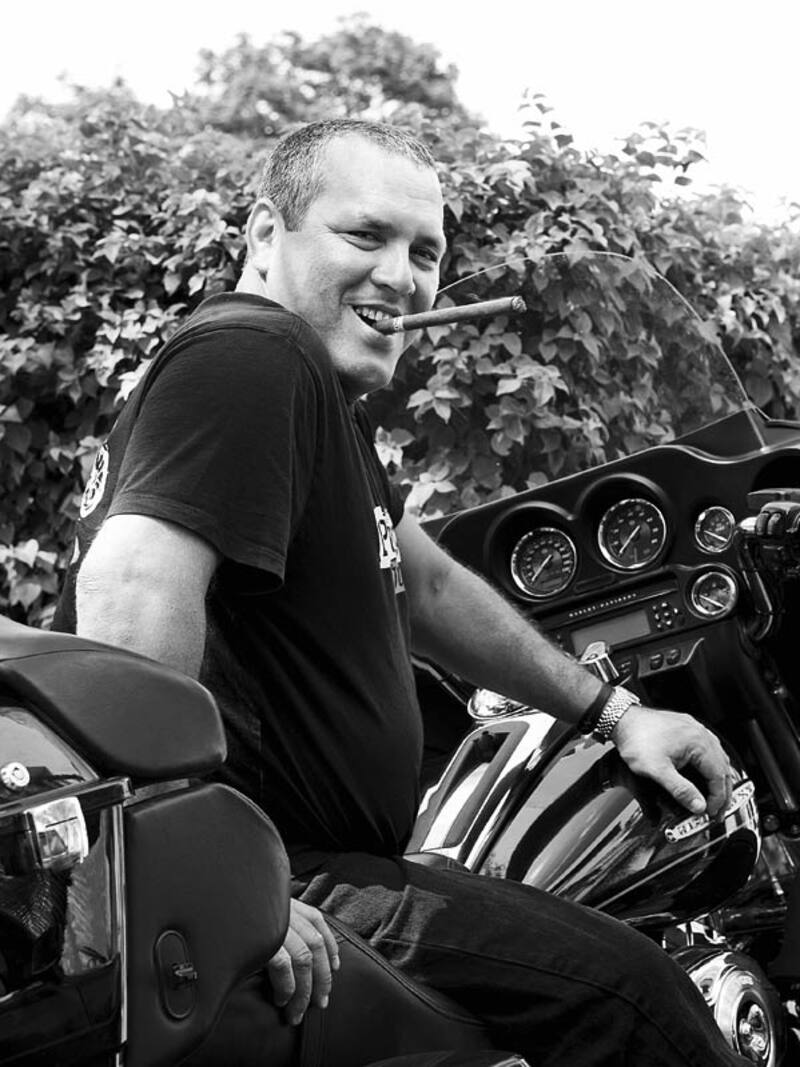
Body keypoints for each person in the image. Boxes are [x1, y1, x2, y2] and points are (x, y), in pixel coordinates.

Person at [54, 119, 746, 1065]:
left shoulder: (312, 400)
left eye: (425, 253)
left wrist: (615, 712)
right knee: (636, 994)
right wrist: (203, 879)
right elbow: (130, 588)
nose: (402, 277)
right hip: (287, 870)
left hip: (305, 862)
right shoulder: (254, 354)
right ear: (265, 235)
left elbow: (423, 581)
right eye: (365, 235)